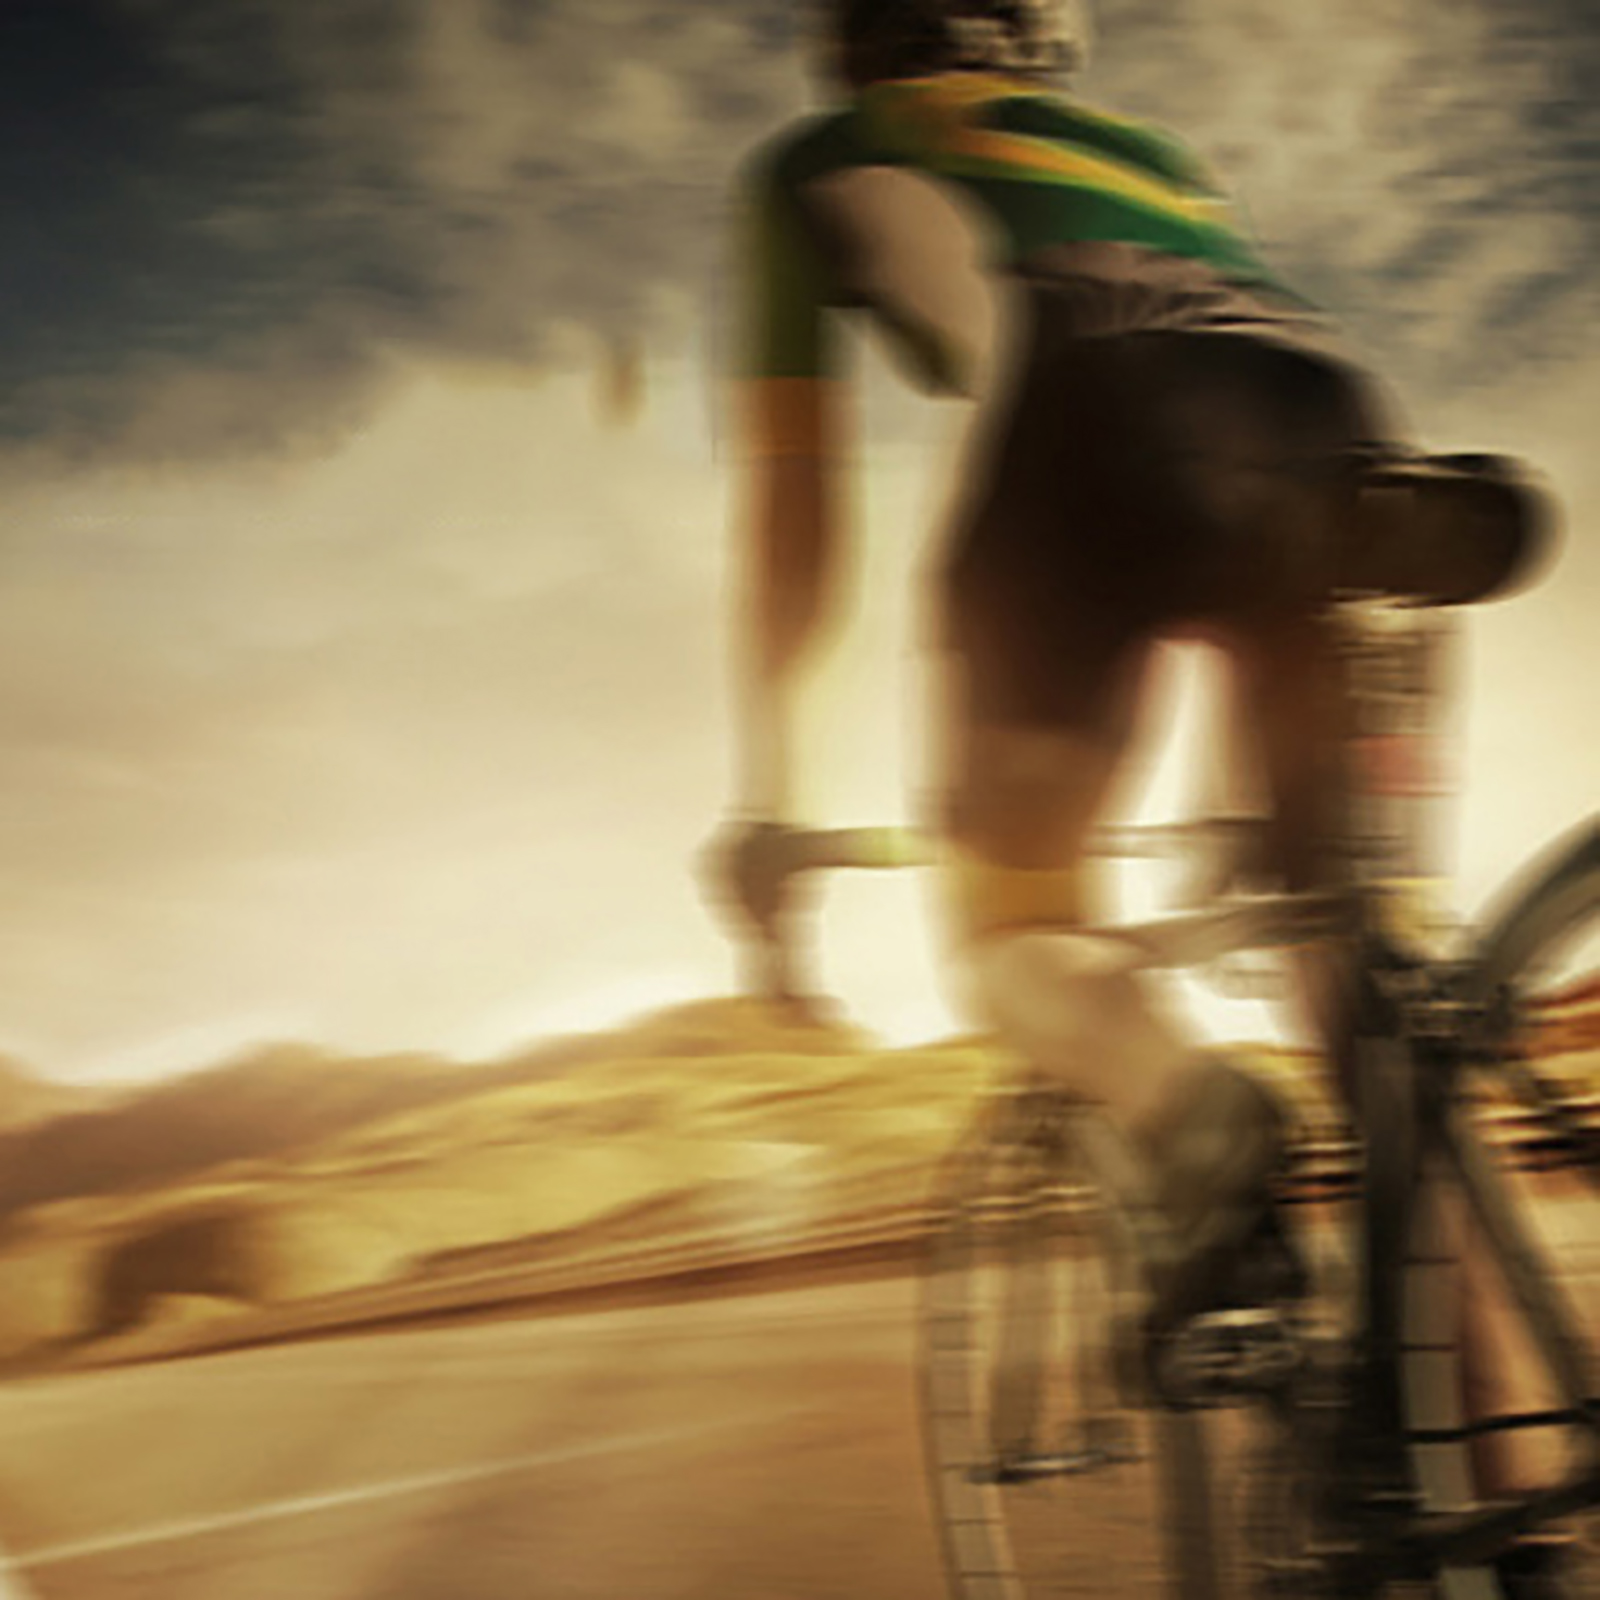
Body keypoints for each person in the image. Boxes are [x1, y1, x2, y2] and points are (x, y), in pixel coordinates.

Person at [717, 0, 1551, 1543]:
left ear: (856, 42)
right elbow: (1215, 364)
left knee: (1013, 940)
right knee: (1369, 1000)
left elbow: (794, 512)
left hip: (1089, 439)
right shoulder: (1156, 156)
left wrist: (772, 801)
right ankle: (1507, 1520)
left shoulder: (818, 162)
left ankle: (1196, 1115)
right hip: (1336, 430)